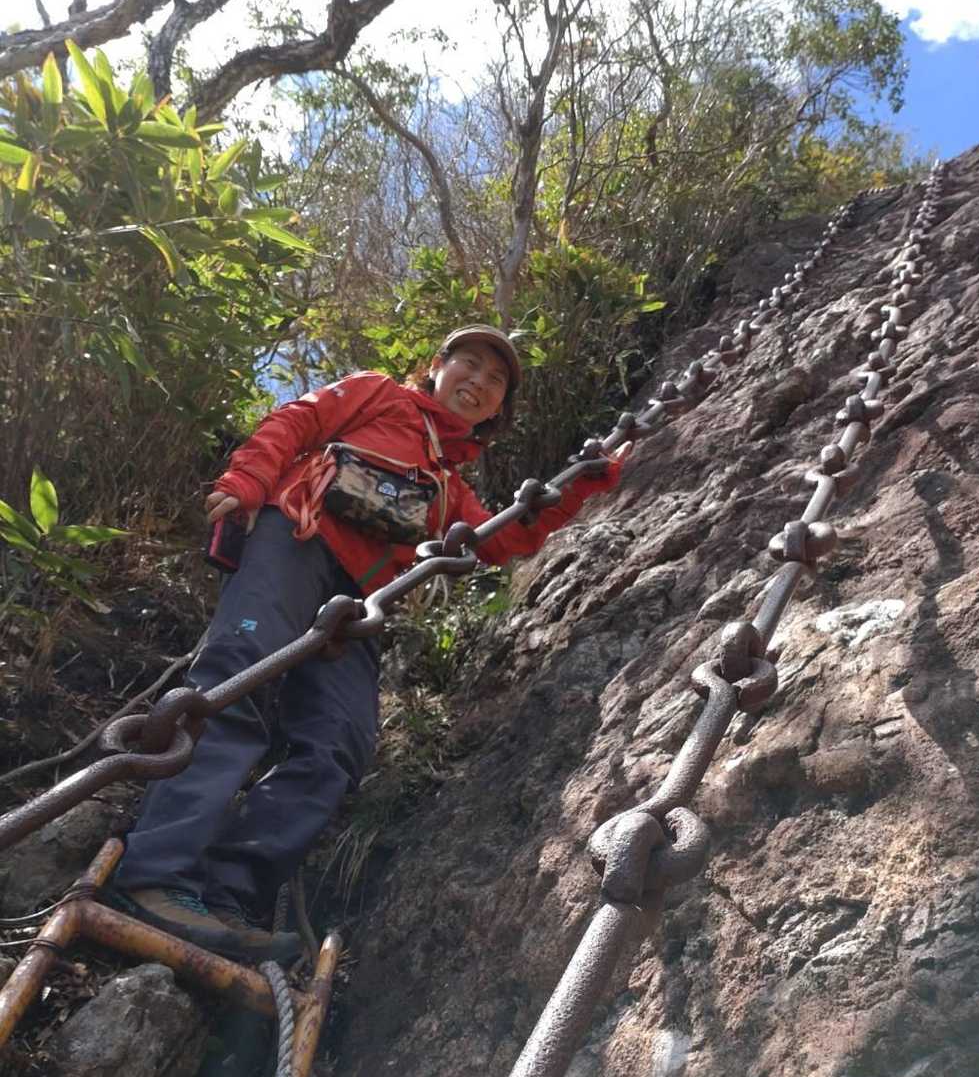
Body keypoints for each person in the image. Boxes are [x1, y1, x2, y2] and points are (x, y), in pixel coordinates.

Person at [111, 326, 623, 963]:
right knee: (236, 682)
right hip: (294, 541)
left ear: (498, 408)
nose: (479, 382)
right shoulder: (379, 395)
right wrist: (249, 479)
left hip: (356, 605)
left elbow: (495, 540)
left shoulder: (449, 487)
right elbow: (300, 420)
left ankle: (230, 896)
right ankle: (156, 874)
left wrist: (575, 489)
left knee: (339, 742)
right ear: (437, 367)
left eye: (495, 382)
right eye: (469, 364)